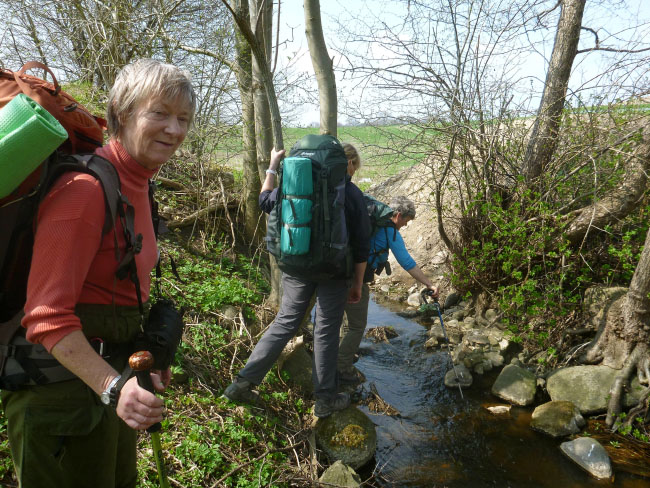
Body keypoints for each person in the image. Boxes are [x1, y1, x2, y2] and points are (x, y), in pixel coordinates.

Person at [1, 59, 196, 488]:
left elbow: (122, 289)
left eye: (183, 118)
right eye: (159, 113)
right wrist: (114, 387)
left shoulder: (140, 184)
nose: (175, 130)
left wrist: (146, 357)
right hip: (59, 406)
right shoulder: (85, 191)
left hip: (106, 388)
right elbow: (45, 318)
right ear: (123, 114)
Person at [224, 145, 371, 418]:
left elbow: (264, 201)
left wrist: (271, 166)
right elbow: (362, 245)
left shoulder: (295, 188)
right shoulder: (350, 194)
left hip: (296, 268)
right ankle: (325, 398)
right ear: (344, 164)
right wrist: (358, 283)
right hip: (334, 272)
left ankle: (242, 383)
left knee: (285, 322)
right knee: (326, 330)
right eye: (353, 165)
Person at [338, 195, 440, 384]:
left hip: (339, 269)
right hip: (355, 278)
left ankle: (344, 354)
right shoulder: (389, 231)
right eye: (407, 221)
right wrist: (428, 283)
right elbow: (406, 262)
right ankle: (341, 368)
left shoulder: (367, 220)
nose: (406, 225)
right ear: (399, 215)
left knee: (345, 320)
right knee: (357, 326)